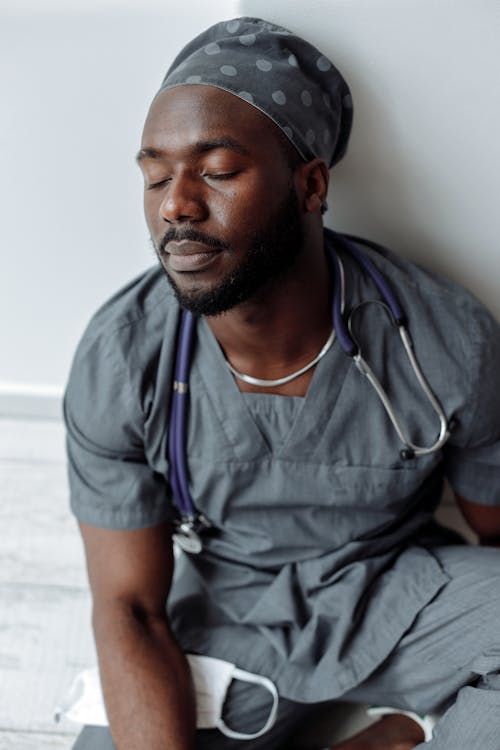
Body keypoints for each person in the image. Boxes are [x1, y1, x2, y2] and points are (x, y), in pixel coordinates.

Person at [64, 16, 500, 750]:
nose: (176, 204)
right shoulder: (122, 358)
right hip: (230, 613)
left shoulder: (443, 337)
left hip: (398, 592)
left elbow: (494, 533)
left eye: (218, 170)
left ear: (311, 183)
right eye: (156, 175)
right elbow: (130, 608)